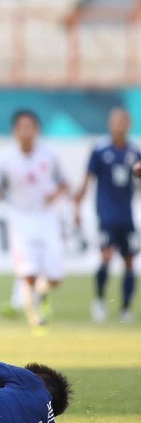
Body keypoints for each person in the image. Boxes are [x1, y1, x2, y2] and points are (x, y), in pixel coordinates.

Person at [0, 110, 69, 332]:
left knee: (55, 278)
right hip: (20, 220)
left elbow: (64, 183)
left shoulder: (49, 155)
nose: (26, 132)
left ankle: (42, 293)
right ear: (15, 131)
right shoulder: (5, 158)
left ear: (37, 130)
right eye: (22, 128)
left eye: (30, 127)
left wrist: (55, 195)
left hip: (47, 217)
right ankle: (35, 319)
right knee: (27, 274)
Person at [74, 107, 141, 324]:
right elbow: (87, 179)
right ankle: (100, 301)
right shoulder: (100, 150)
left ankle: (125, 309)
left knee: (130, 261)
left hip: (126, 215)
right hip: (106, 214)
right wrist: (77, 206)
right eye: (116, 121)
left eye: (124, 121)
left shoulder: (134, 152)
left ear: (129, 125)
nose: (120, 125)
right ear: (110, 124)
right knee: (106, 256)